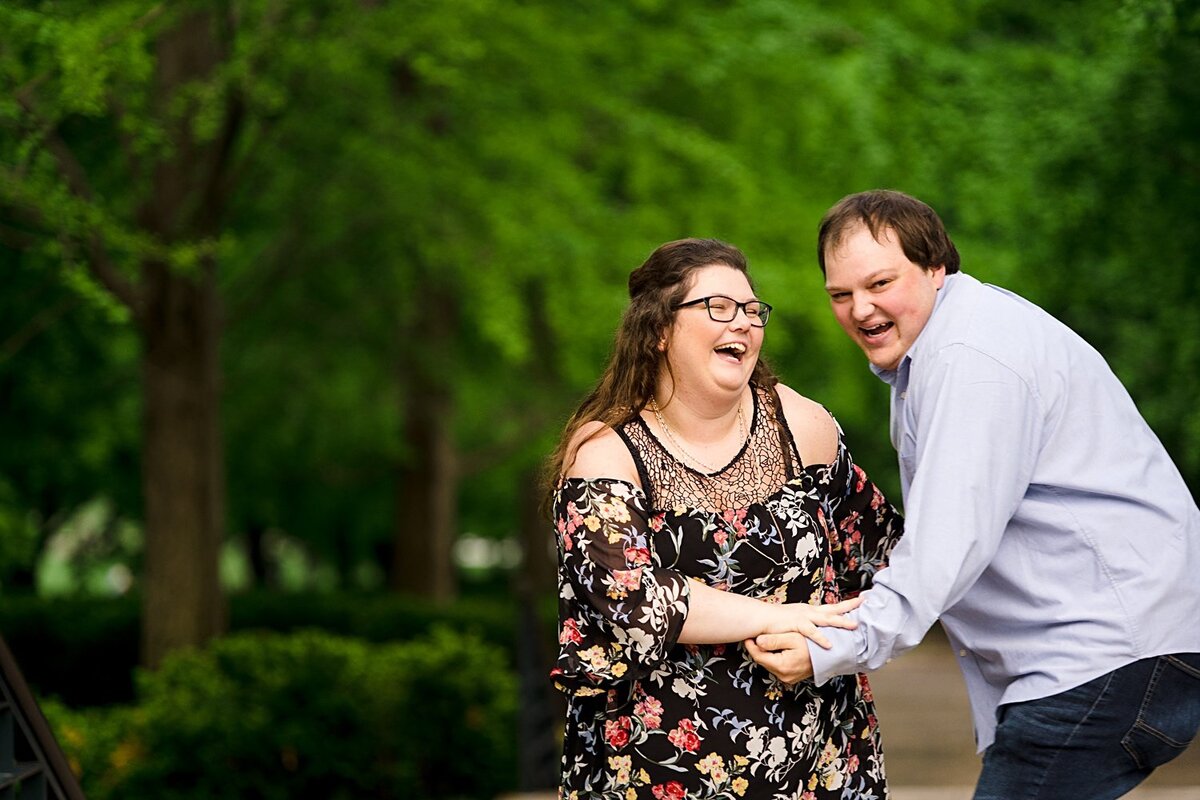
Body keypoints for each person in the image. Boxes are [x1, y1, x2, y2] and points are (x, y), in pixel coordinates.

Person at [748, 189, 1200, 799]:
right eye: (841, 294)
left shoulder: (972, 360)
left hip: (1109, 652)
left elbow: (947, 543)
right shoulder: (942, 351)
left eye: (881, 282)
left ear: (936, 267)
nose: (860, 308)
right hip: (1107, 653)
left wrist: (839, 645)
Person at [545, 237, 903, 799]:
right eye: (717, 307)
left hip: (821, 758)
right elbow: (634, 603)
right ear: (659, 330)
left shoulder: (800, 424)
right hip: (657, 767)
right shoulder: (606, 454)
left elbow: (884, 551)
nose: (742, 322)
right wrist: (782, 619)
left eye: (752, 309)